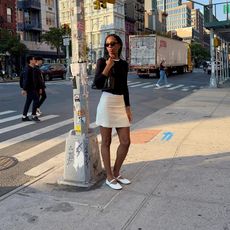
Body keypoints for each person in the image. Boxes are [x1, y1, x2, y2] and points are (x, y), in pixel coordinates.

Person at [94, 34, 132, 190]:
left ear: (119, 45)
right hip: (107, 102)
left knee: (125, 141)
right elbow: (97, 84)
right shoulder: (102, 61)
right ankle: (109, 176)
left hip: (120, 103)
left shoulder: (123, 64)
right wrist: (108, 66)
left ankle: (116, 172)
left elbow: (124, 86)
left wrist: (128, 107)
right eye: (107, 44)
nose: (109, 46)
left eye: (112, 44)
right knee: (107, 141)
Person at [21, 56, 41, 122]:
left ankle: (24, 116)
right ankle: (34, 115)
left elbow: (37, 79)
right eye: (34, 59)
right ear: (30, 61)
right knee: (36, 100)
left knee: (28, 101)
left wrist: (40, 87)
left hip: (33, 88)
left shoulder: (33, 68)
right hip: (30, 88)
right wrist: (24, 89)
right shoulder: (27, 69)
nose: (35, 60)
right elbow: (25, 80)